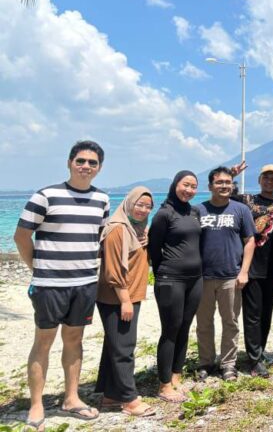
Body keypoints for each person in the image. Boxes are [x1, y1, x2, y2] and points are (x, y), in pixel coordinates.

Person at [14, 140, 110, 430]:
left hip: (84, 283)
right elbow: (21, 237)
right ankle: (36, 404)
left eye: (92, 163)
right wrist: (38, 268)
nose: (86, 167)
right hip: (49, 284)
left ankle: (71, 398)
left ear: (99, 168)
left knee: (74, 340)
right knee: (43, 342)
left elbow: (101, 239)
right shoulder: (46, 196)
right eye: (81, 161)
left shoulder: (102, 200)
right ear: (69, 162)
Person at [95, 186, 156, 417]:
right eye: (139, 204)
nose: (143, 210)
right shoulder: (117, 230)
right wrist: (125, 300)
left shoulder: (136, 230)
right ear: (128, 204)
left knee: (115, 344)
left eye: (148, 206)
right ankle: (129, 399)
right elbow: (112, 270)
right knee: (124, 348)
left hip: (129, 295)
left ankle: (111, 395)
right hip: (118, 298)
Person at [195, 167, 256, 381]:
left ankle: (228, 364)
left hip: (231, 276)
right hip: (202, 277)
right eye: (219, 182)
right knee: (203, 322)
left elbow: (250, 241)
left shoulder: (241, 210)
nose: (224, 186)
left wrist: (244, 271)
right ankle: (206, 362)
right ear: (210, 186)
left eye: (228, 182)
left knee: (230, 322)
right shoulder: (198, 210)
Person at [148, 170, 203, 403]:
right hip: (171, 280)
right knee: (170, 330)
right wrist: (165, 272)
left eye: (193, 186)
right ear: (175, 185)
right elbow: (153, 249)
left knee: (184, 327)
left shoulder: (194, 211)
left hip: (195, 279)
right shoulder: (164, 213)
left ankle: (177, 376)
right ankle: (164, 385)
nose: (189, 190)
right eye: (185, 185)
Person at [230, 163, 273, 377]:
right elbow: (223, 190)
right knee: (252, 314)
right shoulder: (246, 200)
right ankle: (253, 360)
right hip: (251, 265)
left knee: (266, 313)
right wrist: (231, 174)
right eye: (266, 177)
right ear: (259, 180)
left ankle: (258, 352)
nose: (270, 181)